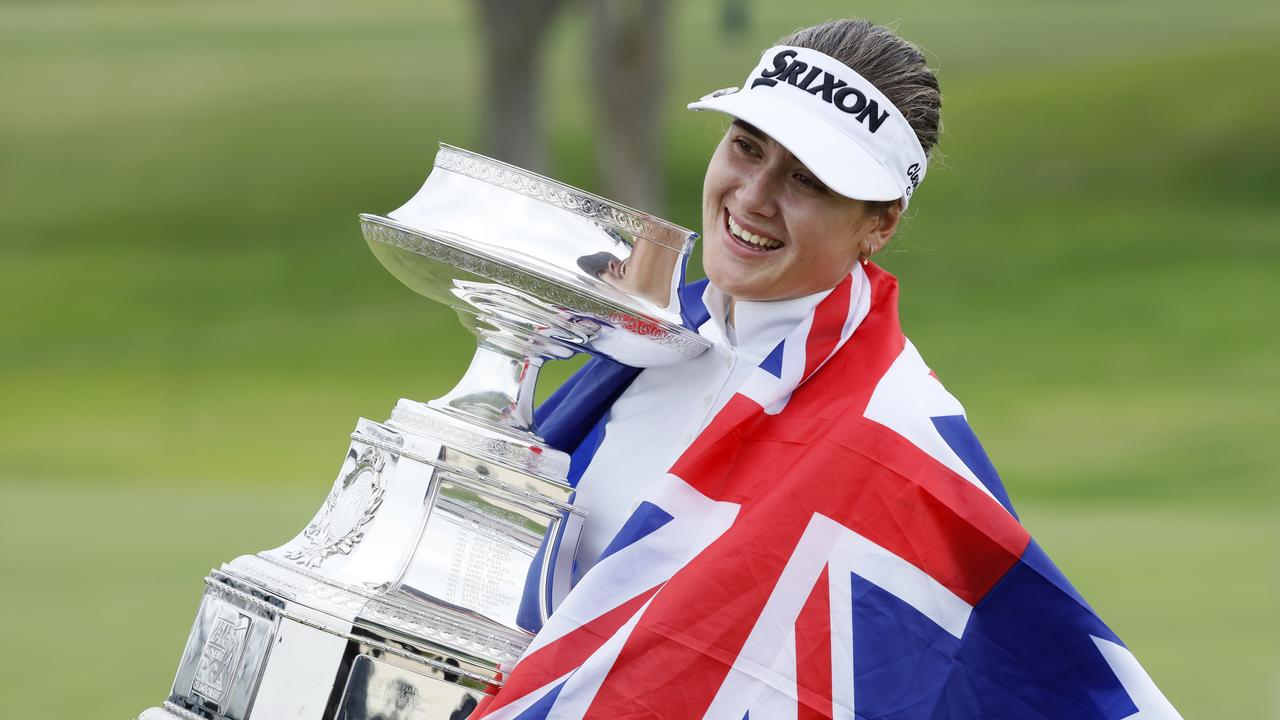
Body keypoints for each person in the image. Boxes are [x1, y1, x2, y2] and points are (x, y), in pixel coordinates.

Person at [477, 19, 1181, 720]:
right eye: (746, 147)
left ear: (880, 223)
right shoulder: (639, 340)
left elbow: (1028, 680)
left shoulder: (898, 436)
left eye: (806, 181)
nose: (753, 195)